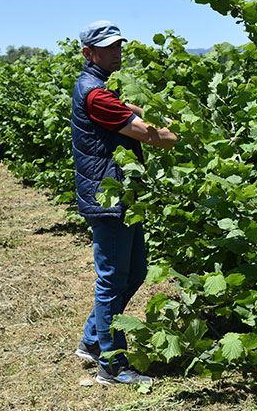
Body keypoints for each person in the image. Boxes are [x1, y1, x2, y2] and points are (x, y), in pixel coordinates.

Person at [71, 20, 178, 385]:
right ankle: (112, 366)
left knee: (133, 273)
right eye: (108, 47)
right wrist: (188, 136)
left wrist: (158, 112)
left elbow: (133, 109)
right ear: (88, 52)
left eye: (118, 45)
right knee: (113, 279)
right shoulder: (96, 94)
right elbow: (147, 134)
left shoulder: (102, 87)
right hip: (108, 196)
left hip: (121, 193)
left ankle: (92, 341)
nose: (117, 51)